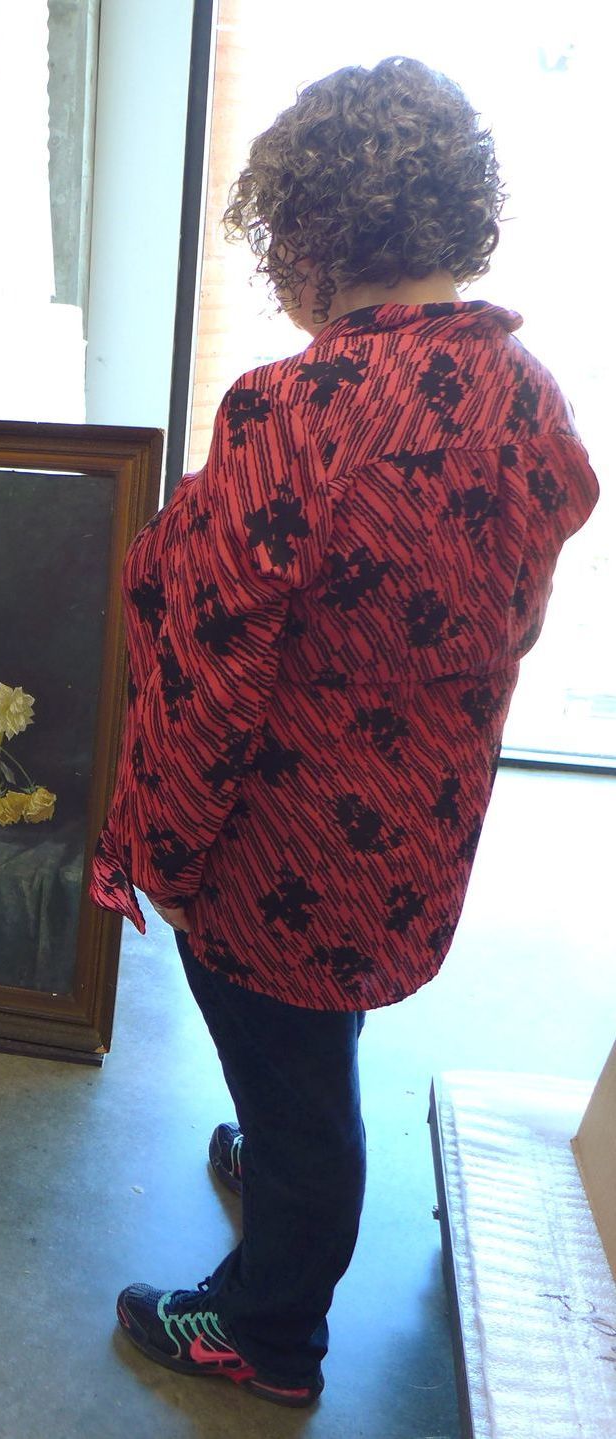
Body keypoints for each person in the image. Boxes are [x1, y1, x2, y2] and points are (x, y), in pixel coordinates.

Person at [91, 57, 598, 1407]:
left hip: (277, 836)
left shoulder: (295, 410)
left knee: (291, 1065)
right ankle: (281, 1161)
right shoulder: (530, 396)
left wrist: (153, 835)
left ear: (309, 235)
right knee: (310, 1046)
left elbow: (211, 655)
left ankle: (266, 1328)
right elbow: (514, 613)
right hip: (414, 818)